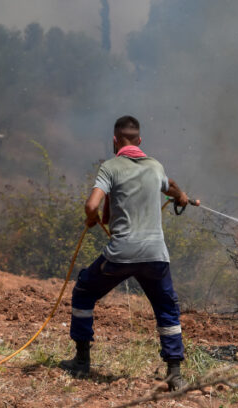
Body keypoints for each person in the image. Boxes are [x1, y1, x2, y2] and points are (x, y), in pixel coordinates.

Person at [59, 115, 197, 390]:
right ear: (140, 141)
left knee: (84, 291)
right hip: (156, 256)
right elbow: (169, 185)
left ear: (115, 140)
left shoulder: (110, 168)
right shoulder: (155, 166)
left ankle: (82, 361)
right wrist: (181, 196)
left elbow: (91, 206)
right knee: (167, 309)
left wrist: (91, 217)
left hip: (121, 255)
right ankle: (175, 375)